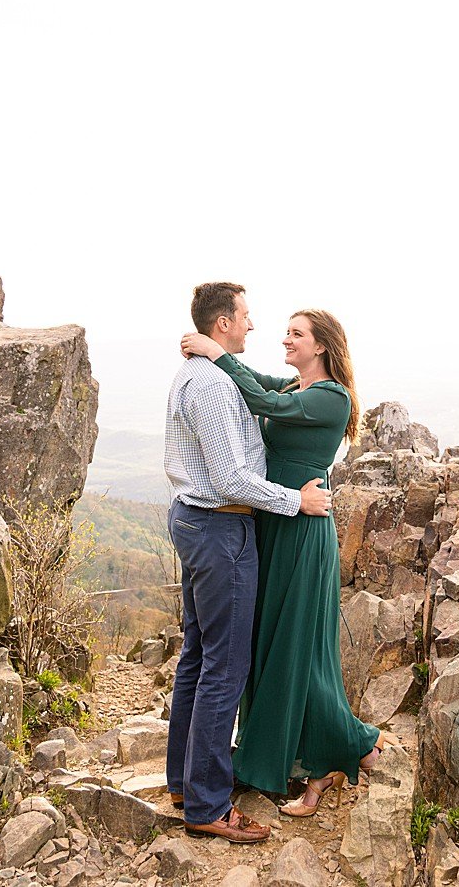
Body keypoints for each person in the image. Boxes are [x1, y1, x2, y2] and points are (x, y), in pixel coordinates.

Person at [180, 306, 401, 816]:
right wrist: (220, 359)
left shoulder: (331, 398)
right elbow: (260, 383)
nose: (285, 339)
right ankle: (280, 753)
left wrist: (215, 352)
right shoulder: (296, 389)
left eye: (296, 334)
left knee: (297, 647)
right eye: (286, 332)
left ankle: (337, 753)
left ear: (321, 345)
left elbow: (255, 397)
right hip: (275, 521)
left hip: (302, 529)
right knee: (268, 643)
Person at [164, 281, 332, 842]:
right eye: (245, 317)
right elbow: (233, 477)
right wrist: (298, 502)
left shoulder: (205, 372)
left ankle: (187, 783)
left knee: (197, 657)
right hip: (219, 527)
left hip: (200, 522)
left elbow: (267, 393)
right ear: (222, 325)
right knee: (223, 669)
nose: (253, 326)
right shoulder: (209, 383)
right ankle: (208, 806)